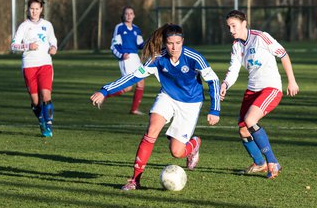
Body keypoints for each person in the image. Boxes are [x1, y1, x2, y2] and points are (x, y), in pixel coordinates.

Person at [90, 24, 221, 190]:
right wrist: (105, 91)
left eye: (178, 43)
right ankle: (135, 180)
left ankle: (194, 144)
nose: (174, 47)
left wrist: (214, 109)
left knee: (177, 152)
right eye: (170, 43)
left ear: (183, 41)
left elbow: (214, 81)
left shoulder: (194, 57)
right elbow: (132, 77)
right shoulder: (157, 58)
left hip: (190, 103)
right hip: (167, 96)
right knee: (151, 130)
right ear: (165, 42)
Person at [220, 10, 299, 179]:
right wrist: (225, 84)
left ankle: (272, 161)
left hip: (270, 88)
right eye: (228, 27)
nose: (231, 30)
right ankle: (259, 163)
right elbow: (233, 69)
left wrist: (291, 81)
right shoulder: (236, 46)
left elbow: (283, 55)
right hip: (252, 90)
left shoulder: (261, 37)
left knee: (250, 121)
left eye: (234, 26)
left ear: (244, 23)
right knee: (243, 130)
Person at [11, 0, 57, 137]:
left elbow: (52, 40)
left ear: (41, 9)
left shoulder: (47, 25)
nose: (34, 11)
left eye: (37, 9)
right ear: (28, 10)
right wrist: (28, 46)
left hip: (45, 64)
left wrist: (54, 47)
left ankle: (48, 124)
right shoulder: (24, 26)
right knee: (36, 101)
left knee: (46, 95)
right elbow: (13, 46)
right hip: (29, 65)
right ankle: (41, 121)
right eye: (32, 9)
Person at [109, 6, 145, 115]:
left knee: (141, 83)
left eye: (131, 13)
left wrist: (152, 43)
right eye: (126, 13)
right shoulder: (119, 28)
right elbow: (113, 45)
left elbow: (140, 44)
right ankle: (102, 95)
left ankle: (134, 110)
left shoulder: (136, 29)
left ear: (134, 15)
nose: (129, 15)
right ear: (123, 15)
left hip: (136, 59)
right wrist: (121, 55)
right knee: (128, 87)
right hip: (126, 58)